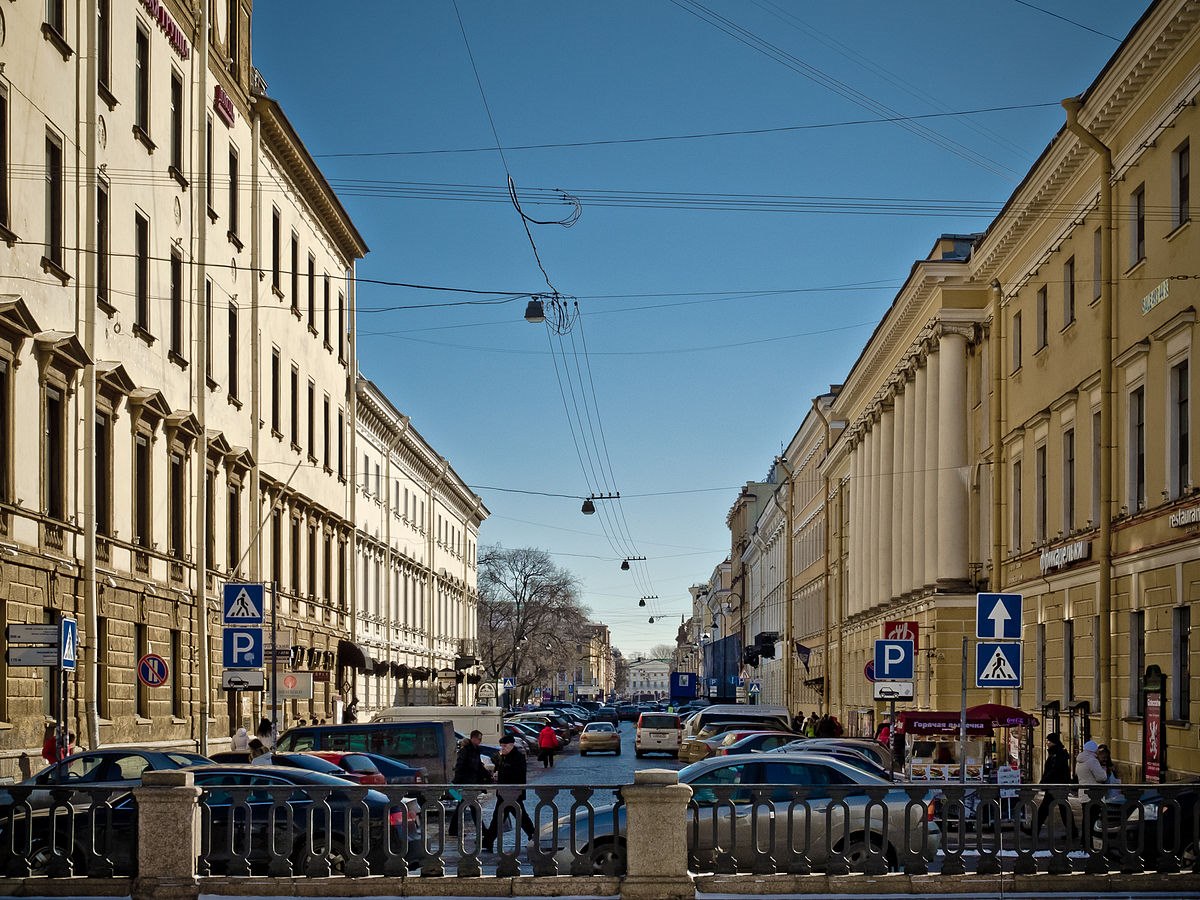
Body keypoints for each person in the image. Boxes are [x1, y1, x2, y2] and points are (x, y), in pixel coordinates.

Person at [482, 735, 536, 853]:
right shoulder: (503, 756)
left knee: (520, 817)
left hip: (513, 792)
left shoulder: (518, 757)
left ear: (511, 745)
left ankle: (534, 837)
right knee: (500, 818)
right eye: (501, 746)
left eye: (505, 746)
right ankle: (488, 841)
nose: (502, 748)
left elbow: (517, 775)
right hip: (503, 793)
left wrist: (501, 775)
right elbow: (497, 764)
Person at [448, 730, 491, 837]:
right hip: (466, 784)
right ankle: (482, 830)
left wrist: (487, 775)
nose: (480, 741)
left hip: (471, 783)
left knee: (464, 806)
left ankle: (454, 830)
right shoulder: (466, 750)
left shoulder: (475, 750)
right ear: (473, 738)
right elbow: (460, 767)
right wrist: (457, 783)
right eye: (478, 739)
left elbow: (478, 766)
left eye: (481, 739)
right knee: (471, 807)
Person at [1035, 732, 1072, 836]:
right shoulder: (1057, 753)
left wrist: (1044, 781)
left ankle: (1034, 830)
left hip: (1056, 785)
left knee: (1046, 809)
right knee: (1062, 808)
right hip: (1056, 784)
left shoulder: (1057, 754)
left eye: (1048, 741)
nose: (1047, 743)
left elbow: (1054, 770)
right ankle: (1072, 831)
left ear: (1054, 742)